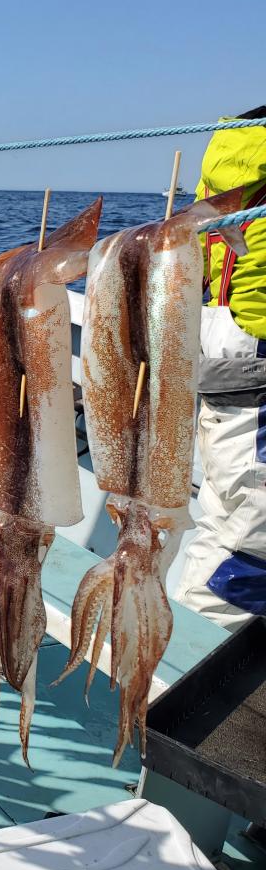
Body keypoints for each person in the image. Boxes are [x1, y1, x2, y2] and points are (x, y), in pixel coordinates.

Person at [175, 107, 266, 630]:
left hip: (227, 347)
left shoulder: (230, 166)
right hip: (254, 362)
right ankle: (201, 667)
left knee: (228, 508)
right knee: (250, 540)